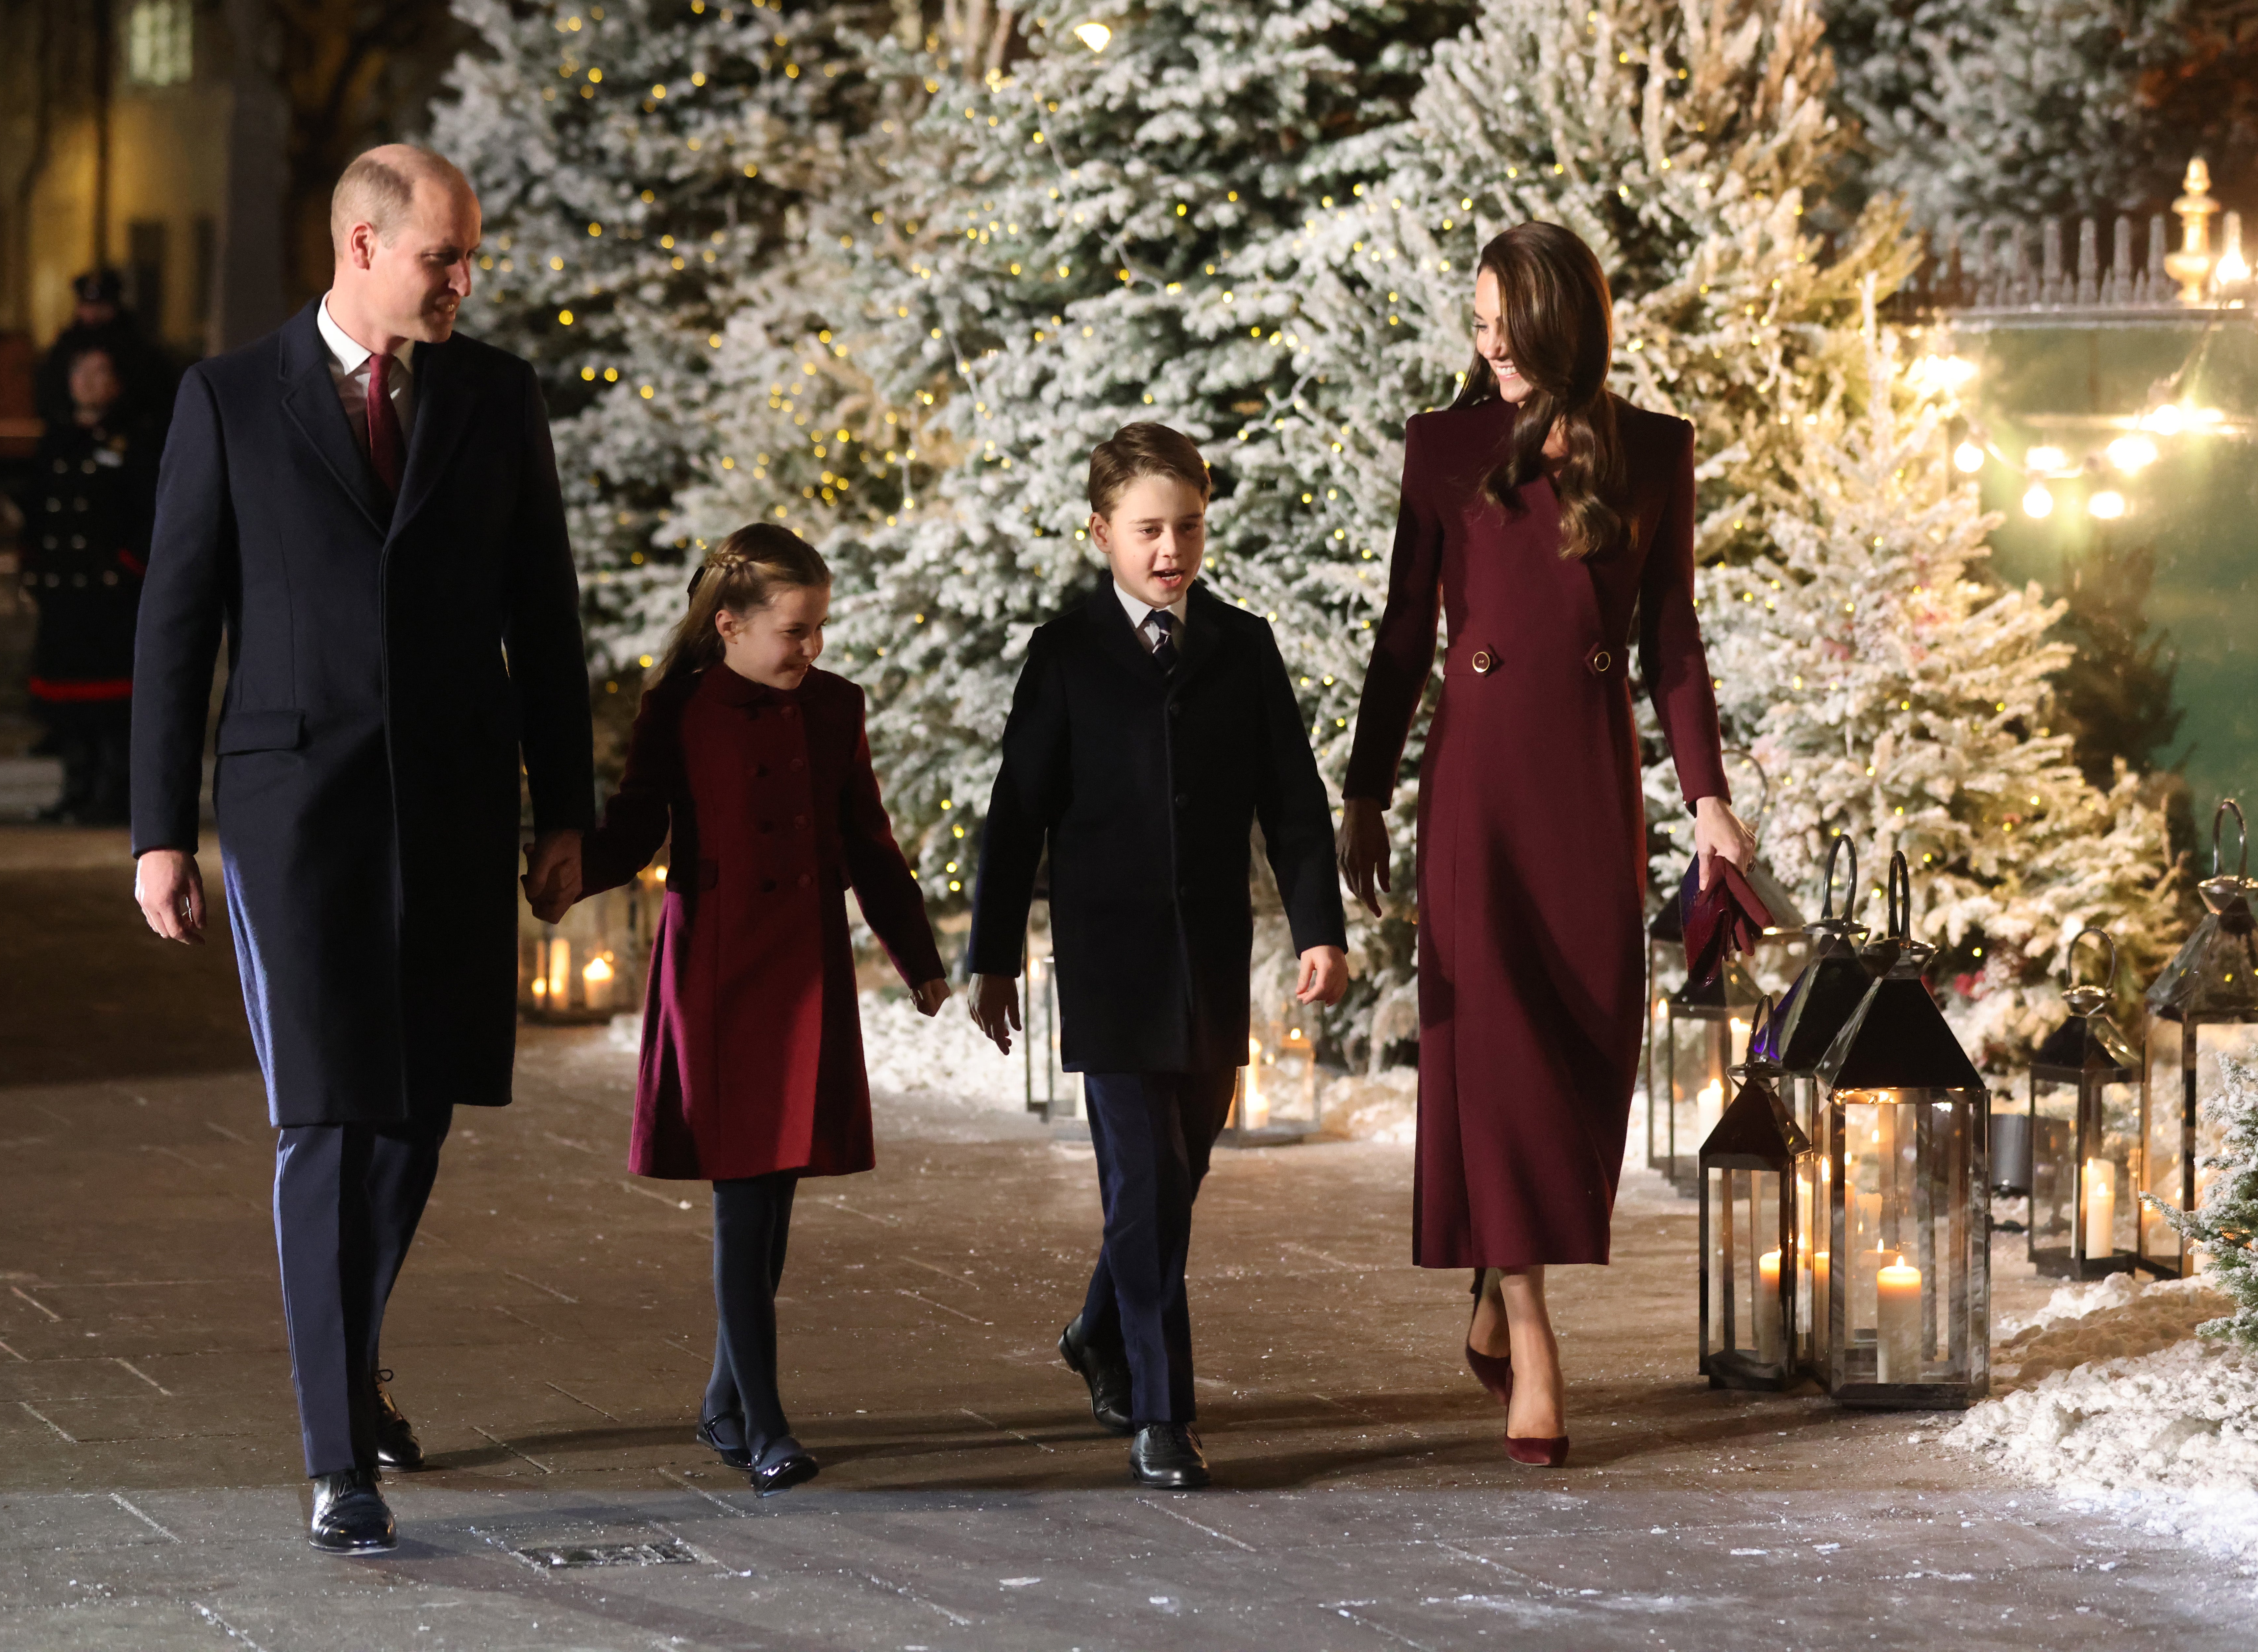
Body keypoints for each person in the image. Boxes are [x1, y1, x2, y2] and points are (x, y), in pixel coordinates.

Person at [130, 145, 595, 1555]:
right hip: (292, 810)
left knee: (420, 1106)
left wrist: (562, 808)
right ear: (359, 244)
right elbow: (174, 623)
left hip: (454, 801)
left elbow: (547, 616)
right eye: (442, 256)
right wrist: (159, 833)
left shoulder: (496, 396)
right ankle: (339, 1454)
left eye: (469, 258)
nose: (465, 280)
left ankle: (353, 1340)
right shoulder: (226, 399)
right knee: (326, 1112)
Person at [1335, 223, 1750, 1468]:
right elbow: (1404, 633)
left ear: (1565, 320)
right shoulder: (1443, 445)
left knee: (1579, 1040)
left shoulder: (1652, 452)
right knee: (1496, 1040)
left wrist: (1706, 798)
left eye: (1509, 320)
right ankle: (1528, 1320)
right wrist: (1362, 791)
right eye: (1476, 320)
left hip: (1586, 786)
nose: (1491, 343)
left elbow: (1669, 639)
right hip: (1472, 785)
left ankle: (1487, 1262)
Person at [966, 423, 1350, 1491]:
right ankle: (1160, 1407)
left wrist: (1320, 925)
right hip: (1110, 962)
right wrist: (993, 955)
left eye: (1187, 526)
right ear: (1102, 535)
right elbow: (1015, 816)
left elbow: (1295, 802)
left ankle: (1097, 1326)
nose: (1169, 548)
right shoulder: (1066, 655)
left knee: (1177, 1171)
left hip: (1209, 961)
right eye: (1147, 530)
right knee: (1142, 1180)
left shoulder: (1243, 645)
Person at [543, 524, 951, 1498]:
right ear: (728, 626)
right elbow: (639, 825)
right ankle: (762, 1421)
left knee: (775, 1200)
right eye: (794, 631)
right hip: (719, 971)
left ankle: (729, 1398)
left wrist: (922, 959)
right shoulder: (679, 710)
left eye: (818, 631)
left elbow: (869, 844)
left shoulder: (833, 709)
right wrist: (571, 875)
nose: (809, 650)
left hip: (803, 968)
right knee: (744, 1197)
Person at [21, 346, 155, 824]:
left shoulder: (134, 440)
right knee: (67, 699)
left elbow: (153, 510)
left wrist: (125, 566)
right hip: (64, 590)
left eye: (101, 371)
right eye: (81, 371)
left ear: (117, 383)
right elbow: (37, 509)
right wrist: (32, 566)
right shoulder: (57, 438)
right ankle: (75, 788)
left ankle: (112, 793)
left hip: (109, 592)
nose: (89, 381)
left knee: (111, 704)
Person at [35, 269, 174, 431]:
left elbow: (152, 396)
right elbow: (50, 388)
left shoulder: (135, 346)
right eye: (87, 306)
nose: (92, 313)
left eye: (100, 306)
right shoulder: (67, 344)